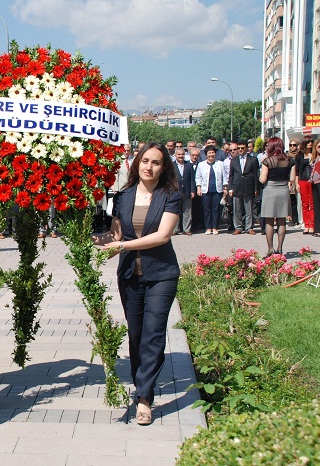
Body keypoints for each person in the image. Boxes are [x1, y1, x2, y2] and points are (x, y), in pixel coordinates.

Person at [91, 142, 180, 426]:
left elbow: (162, 236)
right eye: (144, 161)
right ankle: (140, 382)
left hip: (161, 274)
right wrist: (88, 239)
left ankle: (144, 397)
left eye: (155, 162)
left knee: (153, 335)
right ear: (136, 164)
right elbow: (115, 235)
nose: (149, 167)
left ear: (163, 167)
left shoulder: (171, 196)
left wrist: (123, 244)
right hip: (130, 275)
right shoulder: (124, 196)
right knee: (136, 334)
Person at [259, 137, 295, 256]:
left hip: (270, 190)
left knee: (269, 221)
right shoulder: (289, 160)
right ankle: (280, 248)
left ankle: (270, 248)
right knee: (281, 221)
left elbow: (263, 179)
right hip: (283, 190)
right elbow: (292, 178)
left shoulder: (267, 161)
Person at [195, 145, 228, 235]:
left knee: (216, 209)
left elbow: (224, 176)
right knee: (207, 210)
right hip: (206, 190)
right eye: (209, 153)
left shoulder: (220, 164)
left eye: (213, 152)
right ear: (206, 154)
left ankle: (215, 227)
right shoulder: (201, 165)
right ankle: (208, 227)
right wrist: (199, 187)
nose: (211, 154)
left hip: (217, 190)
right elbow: (198, 177)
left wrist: (225, 188)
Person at [228, 141, 259, 235]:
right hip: (236, 187)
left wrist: (256, 188)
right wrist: (230, 188)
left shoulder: (253, 159)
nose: (240, 150)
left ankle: (249, 227)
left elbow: (256, 175)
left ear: (246, 148)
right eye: (239, 148)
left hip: (248, 187)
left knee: (249, 209)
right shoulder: (234, 160)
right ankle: (238, 227)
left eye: (242, 148)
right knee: (237, 209)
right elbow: (231, 176)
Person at [173, 147, 195, 235]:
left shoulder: (189, 165)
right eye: (179, 154)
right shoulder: (171, 165)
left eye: (182, 154)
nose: (180, 156)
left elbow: (192, 180)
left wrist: (193, 190)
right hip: (175, 192)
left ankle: (186, 229)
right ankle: (175, 229)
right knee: (175, 212)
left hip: (187, 191)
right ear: (175, 155)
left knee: (187, 212)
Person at [295, 137, 315, 234]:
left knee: (312, 203)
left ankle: (312, 224)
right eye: (308, 142)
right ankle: (306, 224)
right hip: (303, 180)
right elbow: (297, 170)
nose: (310, 143)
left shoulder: (315, 154)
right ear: (304, 143)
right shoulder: (299, 155)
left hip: (313, 180)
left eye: (311, 142)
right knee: (305, 203)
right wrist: (297, 183)